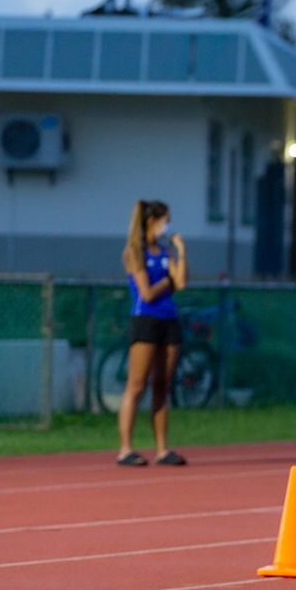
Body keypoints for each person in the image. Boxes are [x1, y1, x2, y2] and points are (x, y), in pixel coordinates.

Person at [117, 199, 188, 466]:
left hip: (169, 319)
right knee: (137, 385)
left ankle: (162, 449)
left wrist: (181, 253)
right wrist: (167, 282)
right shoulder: (135, 251)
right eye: (164, 220)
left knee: (162, 385)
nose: (167, 226)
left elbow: (180, 282)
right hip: (146, 320)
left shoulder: (165, 251)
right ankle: (125, 448)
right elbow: (146, 293)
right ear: (151, 220)